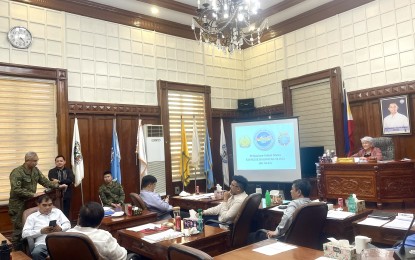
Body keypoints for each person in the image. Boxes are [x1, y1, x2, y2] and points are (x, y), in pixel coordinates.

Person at [9, 151, 67, 250]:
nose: (36, 163)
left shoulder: (35, 170)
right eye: (35, 161)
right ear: (28, 161)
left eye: (37, 161)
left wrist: (58, 186)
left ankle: (27, 249)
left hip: (30, 202)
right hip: (18, 204)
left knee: (30, 226)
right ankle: (16, 252)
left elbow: (45, 181)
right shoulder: (17, 172)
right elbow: (16, 189)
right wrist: (33, 194)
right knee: (19, 229)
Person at [22, 195, 70, 260]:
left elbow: (67, 224)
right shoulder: (32, 217)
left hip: (60, 242)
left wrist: (60, 228)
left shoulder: (58, 212)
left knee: (74, 248)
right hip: (43, 244)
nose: (47, 207)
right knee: (36, 253)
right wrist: (41, 231)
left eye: (50, 205)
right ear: (38, 205)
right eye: (44, 205)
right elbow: (24, 234)